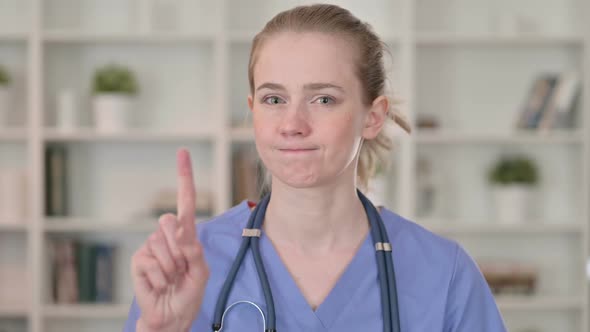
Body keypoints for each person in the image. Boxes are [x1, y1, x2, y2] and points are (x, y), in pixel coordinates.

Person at [124, 4, 507, 332]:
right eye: (274, 99)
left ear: (372, 117)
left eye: (323, 99)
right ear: (253, 109)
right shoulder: (189, 266)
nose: (293, 123)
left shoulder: (444, 274)